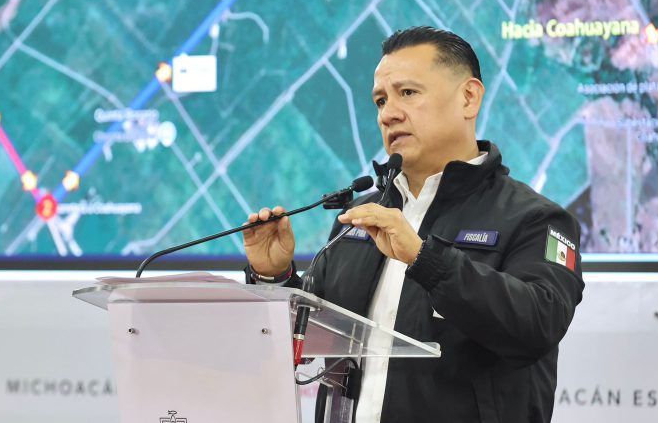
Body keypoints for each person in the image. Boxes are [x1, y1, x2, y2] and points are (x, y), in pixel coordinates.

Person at [242, 26, 584, 422]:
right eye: (380, 100)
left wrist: (426, 259)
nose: (388, 114)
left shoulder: (535, 218)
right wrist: (275, 278)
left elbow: (539, 324)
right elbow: (312, 337)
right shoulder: (360, 218)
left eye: (407, 93)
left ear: (469, 98)